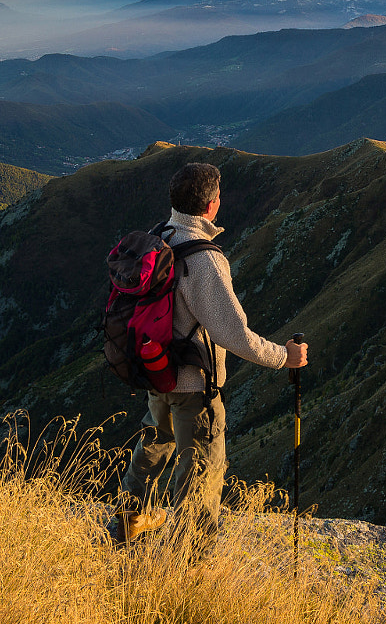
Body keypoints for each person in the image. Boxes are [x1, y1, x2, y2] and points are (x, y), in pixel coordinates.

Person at [115, 160, 308, 542]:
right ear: (210, 206)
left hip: (156, 371)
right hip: (194, 387)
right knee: (201, 469)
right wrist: (285, 357)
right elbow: (234, 334)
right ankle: (195, 560)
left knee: (155, 442)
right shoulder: (204, 259)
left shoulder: (159, 237)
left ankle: (125, 521)